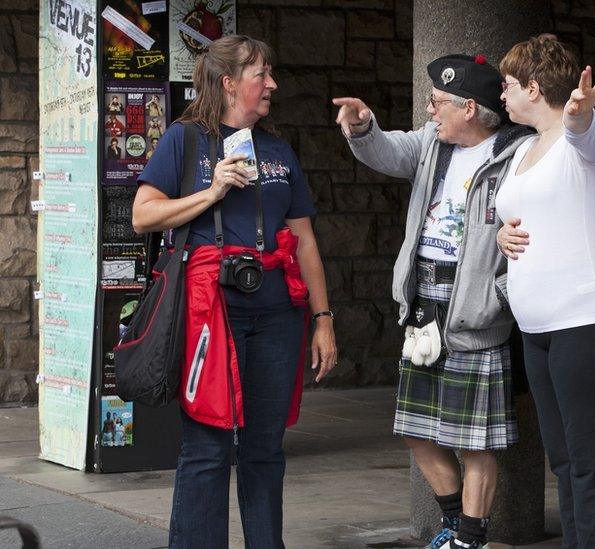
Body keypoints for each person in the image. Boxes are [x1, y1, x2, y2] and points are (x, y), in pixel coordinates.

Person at [132, 35, 337, 549]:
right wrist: (212, 191)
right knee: (208, 445)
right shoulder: (185, 139)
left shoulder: (277, 147)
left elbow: (304, 238)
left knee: (265, 447)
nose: (272, 85)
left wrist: (324, 318)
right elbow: (143, 214)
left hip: (276, 315)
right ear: (228, 83)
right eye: (260, 75)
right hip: (210, 312)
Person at [333, 53, 533, 549]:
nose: (429, 110)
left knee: (475, 436)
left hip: (475, 304)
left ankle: (471, 537)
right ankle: (453, 523)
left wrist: (500, 294)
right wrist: (362, 127)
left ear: (470, 108)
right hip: (425, 298)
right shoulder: (432, 145)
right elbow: (385, 150)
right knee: (415, 426)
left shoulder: (518, 156)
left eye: (438, 102)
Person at [495, 34, 595, 549]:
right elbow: (519, 213)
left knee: (590, 457)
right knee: (563, 458)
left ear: (534, 87)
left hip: (589, 319)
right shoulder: (523, 150)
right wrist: (499, 233)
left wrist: (579, 113)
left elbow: (583, 131)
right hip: (537, 327)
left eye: (508, 85)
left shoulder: (590, 134)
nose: (502, 95)